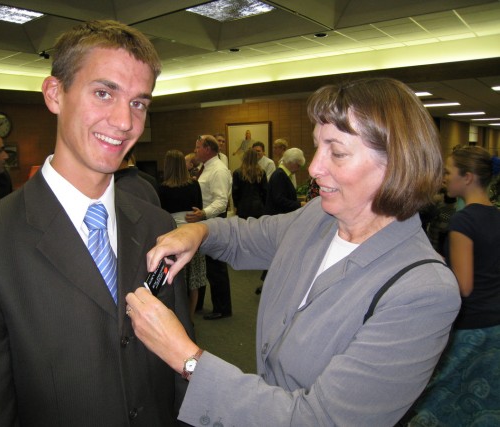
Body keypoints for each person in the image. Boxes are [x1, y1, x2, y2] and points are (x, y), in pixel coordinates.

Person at [125, 77, 461, 426]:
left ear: (397, 163)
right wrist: (199, 231)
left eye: (338, 152)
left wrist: (186, 357)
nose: (315, 168)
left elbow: (320, 420)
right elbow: (247, 236)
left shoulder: (423, 291)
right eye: (318, 147)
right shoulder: (320, 217)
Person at [0, 20, 192, 426]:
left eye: (139, 102)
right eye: (104, 93)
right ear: (55, 94)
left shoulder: (157, 224)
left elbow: (178, 371)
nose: (125, 121)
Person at [410, 146, 500, 426]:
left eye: (449, 172)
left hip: (470, 327)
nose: (444, 178)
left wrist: (436, 265)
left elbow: (463, 286)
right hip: (495, 324)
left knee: (439, 404)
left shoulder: (464, 220)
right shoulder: (496, 215)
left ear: (468, 177)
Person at [186, 135, 232, 320]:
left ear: (207, 149)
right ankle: (199, 305)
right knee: (205, 265)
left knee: (216, 267)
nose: (195, 150)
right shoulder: (206, 168)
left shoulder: (218, 170)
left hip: (213, 222)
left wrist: (203, 213)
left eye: (198, 147)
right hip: (204, 220)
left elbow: (221, 201)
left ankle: (222, 308)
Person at [158, 149, 206, 318]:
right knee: (193, 280)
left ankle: (177, 317)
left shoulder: (161, 189)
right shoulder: (194, 185)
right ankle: (191, 318)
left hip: (171, 238)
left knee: (174, 278)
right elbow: (198, 209)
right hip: (192, 235)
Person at [265, 147, 306, 215]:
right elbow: (279, 200)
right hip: (277, 217)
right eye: (298, 165)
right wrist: (299, 204)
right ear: (292, 162)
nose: (298, 169)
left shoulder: (282, 174)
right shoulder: (280, 175)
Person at [232, 148, 267, 219]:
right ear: (256, 158)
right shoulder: (261, 172)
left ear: (244, 157)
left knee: (243, 228)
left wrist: (236, 205)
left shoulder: (237, 172)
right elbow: (265, 191)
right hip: (258, 207)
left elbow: (235, 192)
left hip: (243, 207)